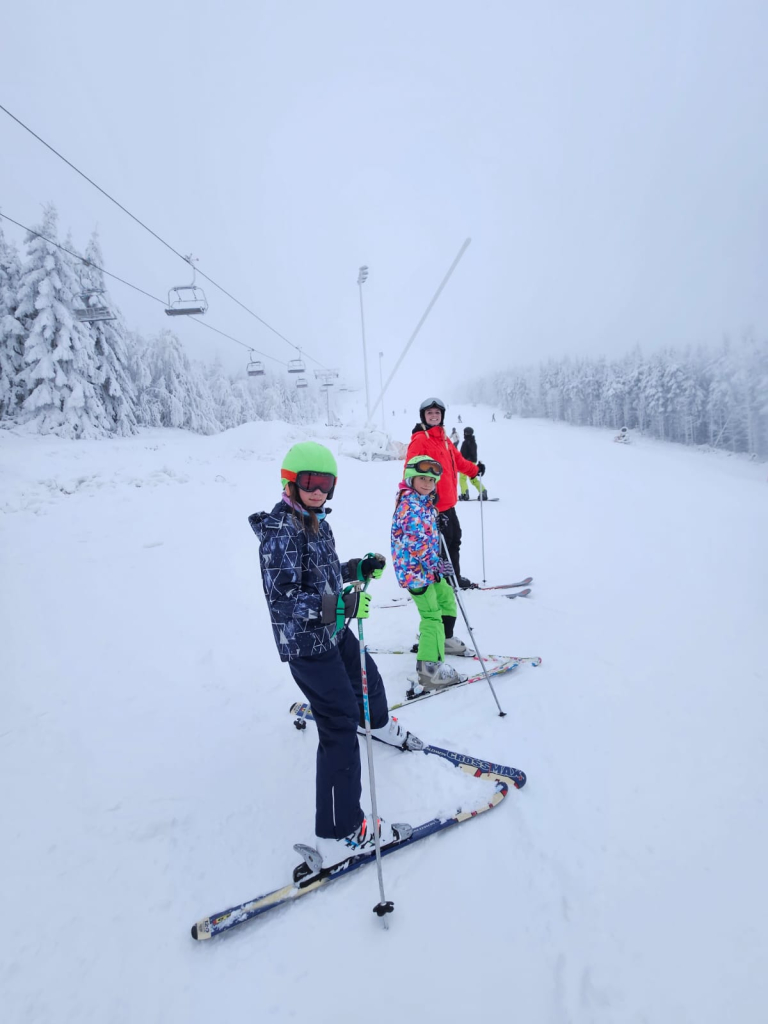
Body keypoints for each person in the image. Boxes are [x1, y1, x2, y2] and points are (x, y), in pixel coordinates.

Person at [248, 441, 421, 870]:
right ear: (291, 482)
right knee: (339, 723)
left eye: (326, 484)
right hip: (306, 645)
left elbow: (320, 574)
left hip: (332, 630)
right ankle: (342, 829)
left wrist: (353, 572)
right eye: (309, 482)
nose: (318, 491)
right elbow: (284, 599)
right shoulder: (281, 531)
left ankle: (377, 724)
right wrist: (337, 606)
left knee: (369, 678)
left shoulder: (317, 523)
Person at [391, 455, 468, 694]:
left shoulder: (423, 502)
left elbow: (426, 531)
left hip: (429, 569)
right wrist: (437, 564)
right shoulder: (409, 505)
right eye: (422, 478)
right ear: (410, 478)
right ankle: (430, 670)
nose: (427, 483)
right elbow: (418, 543)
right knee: (431, 617)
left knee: (446, 596)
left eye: (432, 480)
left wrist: (437, 521)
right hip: (416, 572)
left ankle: (444, 639)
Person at [404, 398, 486, 589]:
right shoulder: (420, 440)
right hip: (433, 506)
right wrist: (421, 499)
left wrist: (475, 470)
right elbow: (409, 471)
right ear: (423, 416)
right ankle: (442, 584)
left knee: (454, 540)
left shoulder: (445, 440)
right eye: (430, 413)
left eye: (437, 413)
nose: (434, 416)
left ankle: (452, 578)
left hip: (449, 504)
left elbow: (458, 461)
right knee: (440, 548)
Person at [458, 427, 489, 500]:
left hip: (466, 462)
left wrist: (461, 461)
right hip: (472, 462)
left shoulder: (466, 442)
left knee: (462, 478)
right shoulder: (473, 442)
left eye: (465, 432)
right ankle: (483, 491)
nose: (464, 434)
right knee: (473, 479)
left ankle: (464, 494)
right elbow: (473, 454)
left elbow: (463, 454)